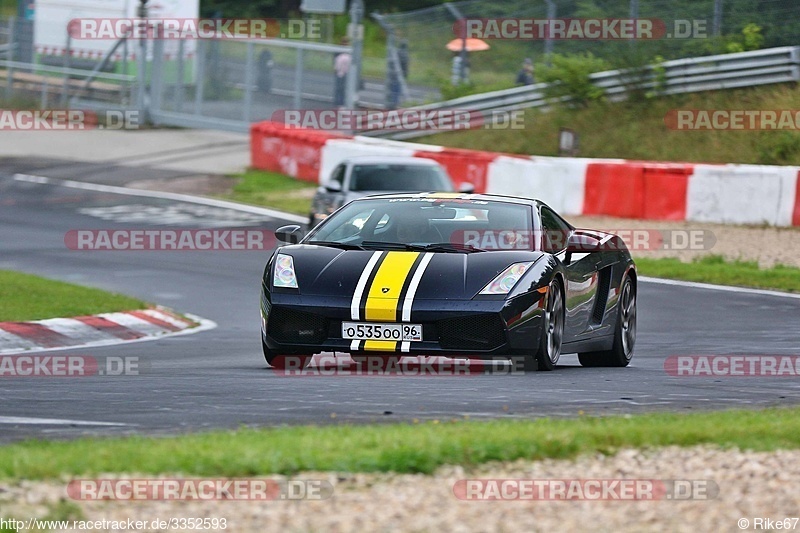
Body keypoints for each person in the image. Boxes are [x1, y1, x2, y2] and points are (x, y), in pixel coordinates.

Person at [333, 37, 352, 107]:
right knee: (339, 88)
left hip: (347, 72)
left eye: (346, 42)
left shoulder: (349, 51)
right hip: (339, 72)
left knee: (344, 88)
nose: (345, 44)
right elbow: (335, 61)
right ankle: (338, 102)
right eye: (344, 42)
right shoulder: (338, 51)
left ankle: (343, 102)